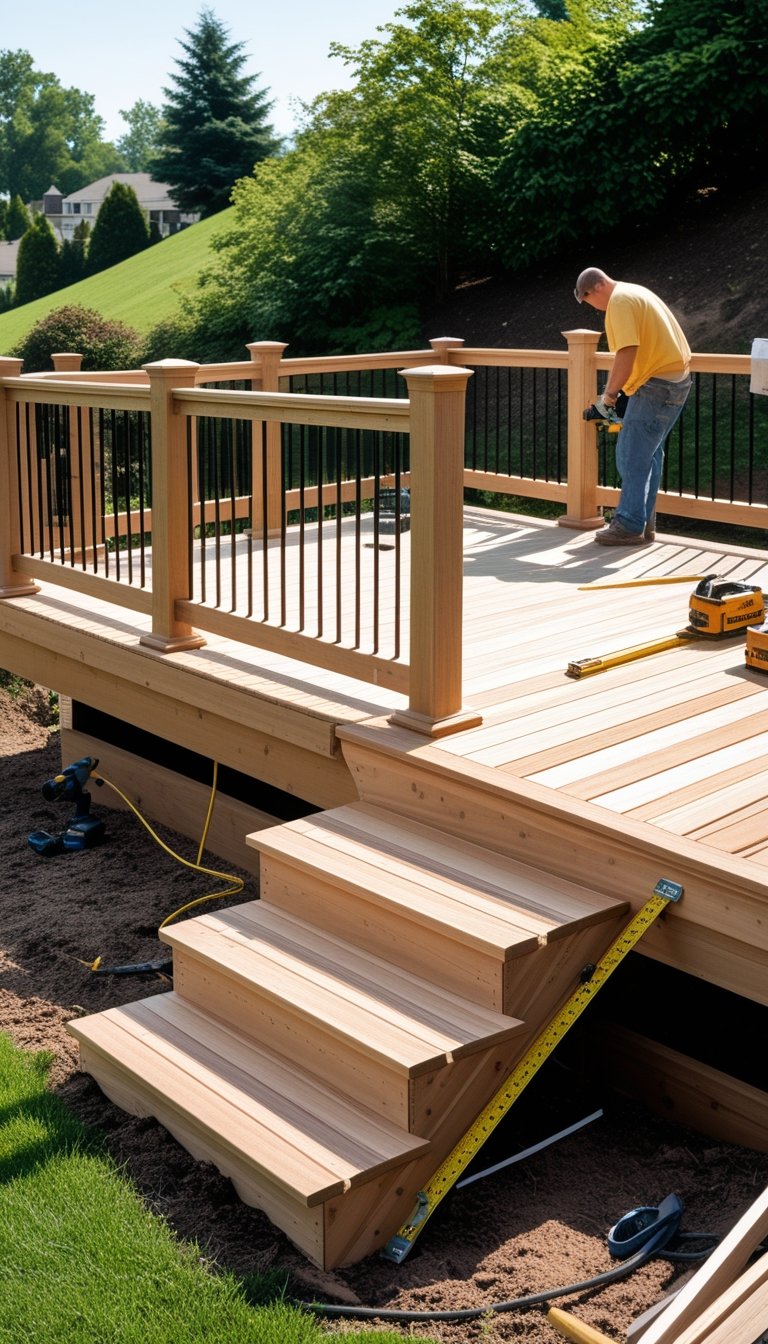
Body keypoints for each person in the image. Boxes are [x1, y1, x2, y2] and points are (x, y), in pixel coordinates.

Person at [574, 268, 691, 545]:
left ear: (598, 286)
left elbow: (627, 351)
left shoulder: (619, 302)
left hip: (657, 386)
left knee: (630, 454)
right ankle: (642, 523)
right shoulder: (636, 291)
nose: (593, 306)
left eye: (588, 299)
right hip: (675, 381)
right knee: (647, 454)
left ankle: (628, 524)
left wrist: (609, 397)